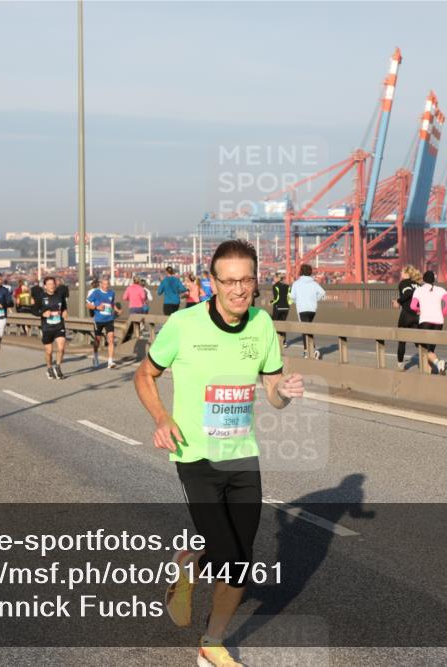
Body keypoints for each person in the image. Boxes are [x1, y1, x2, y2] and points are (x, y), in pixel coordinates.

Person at [133, 239, 304, 667]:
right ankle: (193, 561)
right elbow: (145, 374)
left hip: (242, 456)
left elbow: (272, 389)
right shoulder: (184, 324)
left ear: (256, 281)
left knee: (241, 565)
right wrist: (161, 418)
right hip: (196, 457)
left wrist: (282, 392)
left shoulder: (263, 324)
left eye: (247, 280)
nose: (239, 290)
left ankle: (211, 644)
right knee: (229, 556)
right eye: (229, 281)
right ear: (213, 283)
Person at [410, 270, 447, 375]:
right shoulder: (440, 289)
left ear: (423, 279)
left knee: (424, 348)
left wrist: (418, 311)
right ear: (433, 280)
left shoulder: (418, 290)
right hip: (438, 322)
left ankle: (438, 363)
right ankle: (429, 372)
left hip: (425, 321)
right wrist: (442, 314)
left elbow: (412, 306)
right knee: (430, 349)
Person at [33, 276, 69, 380]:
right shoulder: (41, 297)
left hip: (59, 325)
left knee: (61, 347)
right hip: (47, 327)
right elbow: (34, 310)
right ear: (45, 286)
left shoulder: (60, 295)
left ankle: (58, 367)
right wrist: (43, 313)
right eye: (49, 284)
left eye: (53, 284)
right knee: (49, 351)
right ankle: (49, 368)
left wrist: (65, 311)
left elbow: (63, 305)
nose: (51, 286)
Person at [290, 263, 326, 359]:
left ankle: (309, 351)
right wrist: (315, 299)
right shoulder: (314, 283)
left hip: (302, 309)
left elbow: (292, 296)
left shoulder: (296, 283)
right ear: (310, 272)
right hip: (312, 310)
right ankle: (311, 350)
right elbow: (323, 293)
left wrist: (297, 301)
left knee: (304, 330)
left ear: (301, 271)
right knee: (308, 329)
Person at [87, 276, 121, 369]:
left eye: (107, 284)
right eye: (104, 284)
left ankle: (110, 361)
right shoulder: (96, 293)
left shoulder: (112, 292)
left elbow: (112, 303)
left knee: (111, 339)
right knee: (97, 340)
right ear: (101, 284)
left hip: (109, 319)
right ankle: (95, 356)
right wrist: (96, 308)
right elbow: (88, 304)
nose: (106, 286)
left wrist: (116, 309)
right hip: (98, 320)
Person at [394, 265, 421, 369]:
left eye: (402, 272)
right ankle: (428, 360)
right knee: (418, 341)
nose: (400, 274)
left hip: (407, 315)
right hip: (418, 315)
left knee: (402, 340)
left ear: (406, 273)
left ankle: (400, 364)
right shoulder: (418, 284)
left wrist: (398, 301)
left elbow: (408, 293)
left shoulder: (404, 283)